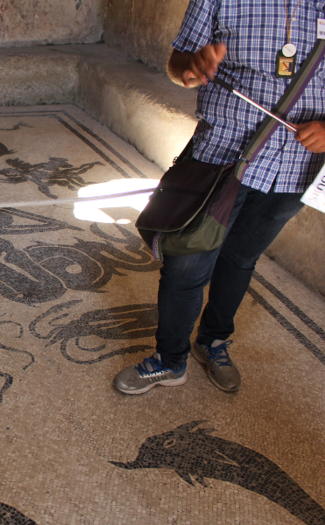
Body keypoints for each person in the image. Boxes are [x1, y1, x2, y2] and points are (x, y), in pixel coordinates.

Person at [114, 0, 325, 394]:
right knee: (186, 264)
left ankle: (213, 342)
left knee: (241, 256)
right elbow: (179, 64)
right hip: (220, 159)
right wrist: (190, 69)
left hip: (297, 170)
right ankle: (170, 360)